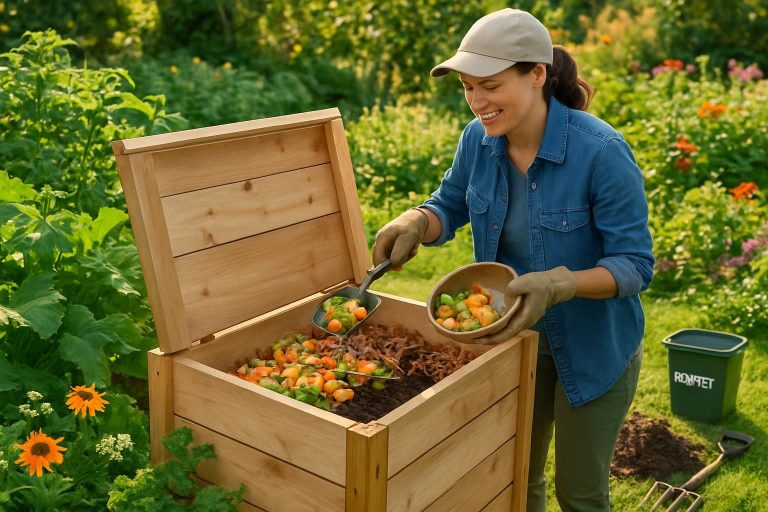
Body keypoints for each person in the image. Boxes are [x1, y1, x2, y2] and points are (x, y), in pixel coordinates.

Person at [371, 8, 654, 512]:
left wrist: (560, 284)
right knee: (515, 479)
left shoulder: (601, 152)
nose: (477, 101)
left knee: (580, 494)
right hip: (512, 338)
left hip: (595, 347)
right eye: (467, 88)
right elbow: (449, 204)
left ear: (537, 74)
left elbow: (635, 265)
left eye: (490, 86)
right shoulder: (477, 141)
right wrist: (416, 220)